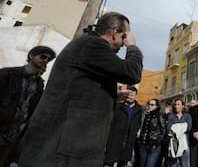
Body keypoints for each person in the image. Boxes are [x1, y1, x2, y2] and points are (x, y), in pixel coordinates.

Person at [18, 12, 144, 167]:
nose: (124, 43)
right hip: (64, 149)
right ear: (115, 32)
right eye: (124, 37)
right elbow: (132, 72)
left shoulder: (89, 45)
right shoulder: (92, 45)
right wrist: (133, 47)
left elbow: (81, 88)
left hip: (69, 145)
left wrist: (114, 97)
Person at [0, 45, 56, 166]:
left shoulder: (39, 84)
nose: (46, 61)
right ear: (31, 56)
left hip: (15, 134)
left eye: (48, 59)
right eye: (43, 56)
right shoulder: (7, 74)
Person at [104, 85, 143, 167]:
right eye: (129, 95)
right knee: (109, 162)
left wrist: (134, 132)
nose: (130, 97)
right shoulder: (118, 105)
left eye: (132, 95)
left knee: (123, 162)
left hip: (128, 139)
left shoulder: (139, 109)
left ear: (136, 96)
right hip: (115, 138)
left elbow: (138, 123)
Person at [137, 99, 166, 167]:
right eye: (149, 104)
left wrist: (157, 142)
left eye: (152, 105)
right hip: (143, 144)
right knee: (142, 165)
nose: (150, 106)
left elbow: (163, 130)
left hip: (153, 145)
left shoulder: (160, 115)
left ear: (157, 106)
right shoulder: (147, 115)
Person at [167, 98, 192, 167]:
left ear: (183, 106)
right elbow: (169, 129)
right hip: (173, 144)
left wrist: (176, 127)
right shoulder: (171, 117)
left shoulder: (187, 116)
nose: (176, 106)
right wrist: (182, 126)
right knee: (173, 165)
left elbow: (188, 128)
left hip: (184, 144)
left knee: (185, 164)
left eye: (178, 104)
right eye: (175, 105)